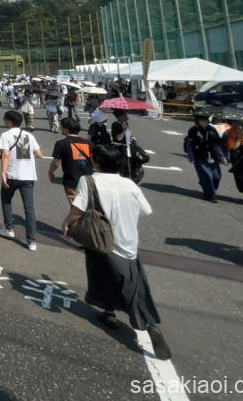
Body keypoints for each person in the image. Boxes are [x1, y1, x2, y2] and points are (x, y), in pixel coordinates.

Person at [62, 142, 172, 360]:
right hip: (128, 241)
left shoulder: (89, 180)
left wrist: (67, 223)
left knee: (103, 277)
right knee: (134, 283)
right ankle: (131, 319)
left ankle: (127, 318)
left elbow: (78, 209)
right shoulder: (129, 184)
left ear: (97, 161)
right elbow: (146, 210)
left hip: (101, 239)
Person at [0, 110, 43, 250]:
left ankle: (9, 228)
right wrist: (24, 156)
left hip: (12, 174)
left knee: (6, 199)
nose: (4, 121)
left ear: (10, 121)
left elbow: (5, 155)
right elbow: (39, 154)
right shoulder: (28, 135)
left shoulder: (6, 135)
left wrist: (3, 173)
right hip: (28, 175)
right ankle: (32, 241)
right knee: (29, 208)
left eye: (5, 119)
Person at [48, 117, 93, 204]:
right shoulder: (89, 143)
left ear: (66, 129)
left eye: (61, 126)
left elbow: (56, 162)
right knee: (87, 204)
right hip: (88, 179)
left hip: (71, 180)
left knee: (75, 206)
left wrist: (50, 172)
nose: (60, 128)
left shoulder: (60, 144)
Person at [184, 111, 225, 202]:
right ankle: (210, 196)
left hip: (212, 157)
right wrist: (191, 156)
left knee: (216, 177)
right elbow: (189, 144)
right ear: (197, 121)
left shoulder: (212, 130)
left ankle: (206, 185)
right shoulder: (193, 130)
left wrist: (223, 135)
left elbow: (218, 143)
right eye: (201, 120)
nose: (204, 122)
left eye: (206, 120)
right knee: (208, 176)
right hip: (199, 157)